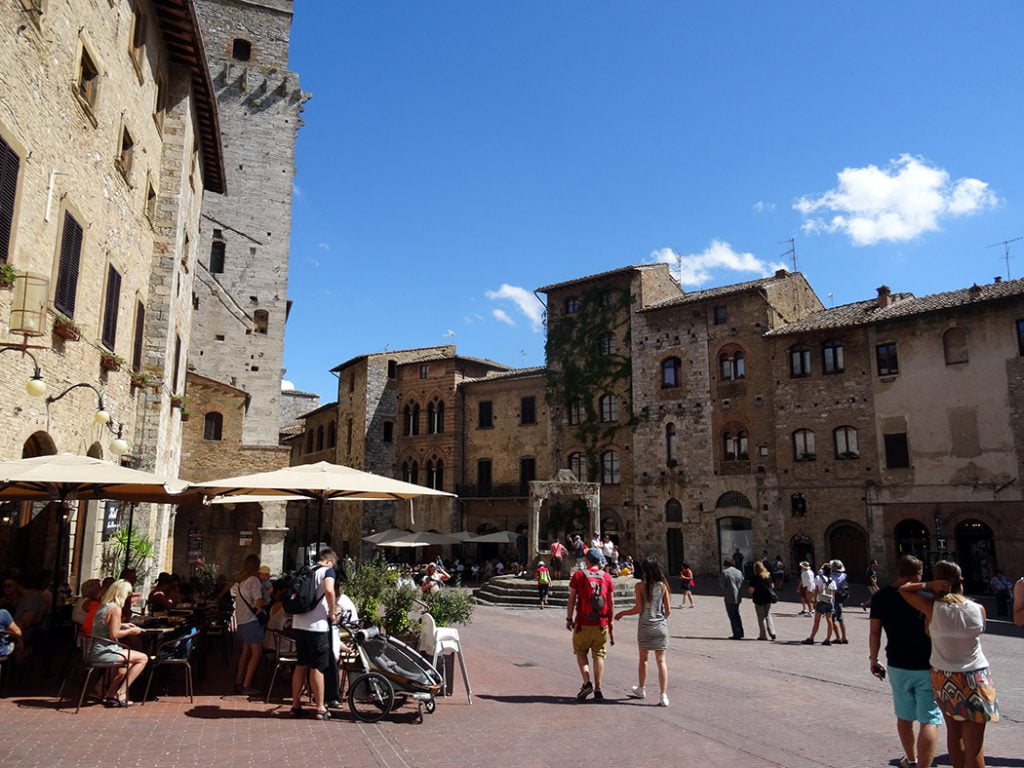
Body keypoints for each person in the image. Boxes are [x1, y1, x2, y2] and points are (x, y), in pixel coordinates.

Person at [900, 561, 999, 768]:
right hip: (976, 675)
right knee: (976, 745)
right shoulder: (978, 609)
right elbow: (979, 632)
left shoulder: (932, 609)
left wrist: (929, 585)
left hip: (945, 677)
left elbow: (904, 589)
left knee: (955, 735)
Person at [869, 555, 941, 768]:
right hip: (927, 663)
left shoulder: (881, 597)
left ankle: (911, 759)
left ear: (897, 570)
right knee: (928, 718)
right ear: (919, 574)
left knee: (904, 715)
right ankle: (925, 765)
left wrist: (874, 659)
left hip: (897, 663)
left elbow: (875, 633)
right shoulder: (926, 596)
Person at [614, 555, 671, 706]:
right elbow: (668, 610)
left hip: (645, 626)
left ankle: (641, 688)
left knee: (643, 659)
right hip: (660, 627)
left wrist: (622, 613)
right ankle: (663, 695)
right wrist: (661, 620)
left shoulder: (640, 586)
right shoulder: (663, 586)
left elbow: (638, 609)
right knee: (661, 661)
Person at [290, 549, 338, 720]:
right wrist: (332, 611)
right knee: (318, 666)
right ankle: (320, 707)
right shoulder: (328, 571)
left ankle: (295, 704)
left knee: (301, 663)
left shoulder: (305, 570)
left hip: (299, 623)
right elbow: (329, 590)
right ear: (330, 561)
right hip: (317, 626)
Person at [87, 580, 148, 707]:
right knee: (143, 658)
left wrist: (124, 625)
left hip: (94, 648)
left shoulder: (104, 605)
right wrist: (131, 631)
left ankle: (110, 694)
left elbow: (106, 624)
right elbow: (114, 635)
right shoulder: (115, 609)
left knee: (127, 663)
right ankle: (121, 693)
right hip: (105, 651)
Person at [566, 548, 615, 702]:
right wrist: (610, 620)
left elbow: (572, 599)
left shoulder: (579, 575)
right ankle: (598, 689)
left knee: (581, 652)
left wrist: (569, 618)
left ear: (587, 560)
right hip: (601, 623)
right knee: (599, 655)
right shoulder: (606, 577)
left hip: (582, 622)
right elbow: (611, 602)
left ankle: (587, 682)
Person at [232, 554, 266, 695]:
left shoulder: (241, 582)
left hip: (242, 621)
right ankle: (247, 685)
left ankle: (239, 680)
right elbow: (258, 601)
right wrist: (265, 602)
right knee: (256, 653)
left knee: (245, 652)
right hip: (251, 621)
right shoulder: (254, 581)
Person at [802, 562, 836, 645]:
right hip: (829, 601)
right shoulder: (832, 581)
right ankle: (828, 639)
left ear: (823, 570)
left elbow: (816, 590)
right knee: (829, 620)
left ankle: (811, 638)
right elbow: (833, 594)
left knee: (817, 621)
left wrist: (814, 601)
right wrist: (833, 605)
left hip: (821, 601)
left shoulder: (818, 578)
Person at [748, 560, 777, 641]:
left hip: (759, 599)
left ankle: (763, 635)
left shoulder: (755, 577)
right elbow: (772, 586)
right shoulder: (768, 576)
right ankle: (772, 632)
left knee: (761, 618)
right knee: (768, 615)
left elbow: (751, 590)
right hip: (768, 598)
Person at [718, 559, 744, 639]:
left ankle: (736, 633)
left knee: (732, 615)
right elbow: (742, 581)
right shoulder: (739, 572)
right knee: (737, 614)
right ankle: (740, 632)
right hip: (738, 596)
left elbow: (722, 584)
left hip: (729, 595)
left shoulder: (725, 572)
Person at [830, 559, 850, 644]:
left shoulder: (830, 576)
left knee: (832, 618)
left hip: (833, 598)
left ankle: (838, 638)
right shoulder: (844, 575)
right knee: (841, 618)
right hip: (840, 598)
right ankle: (844, 637)